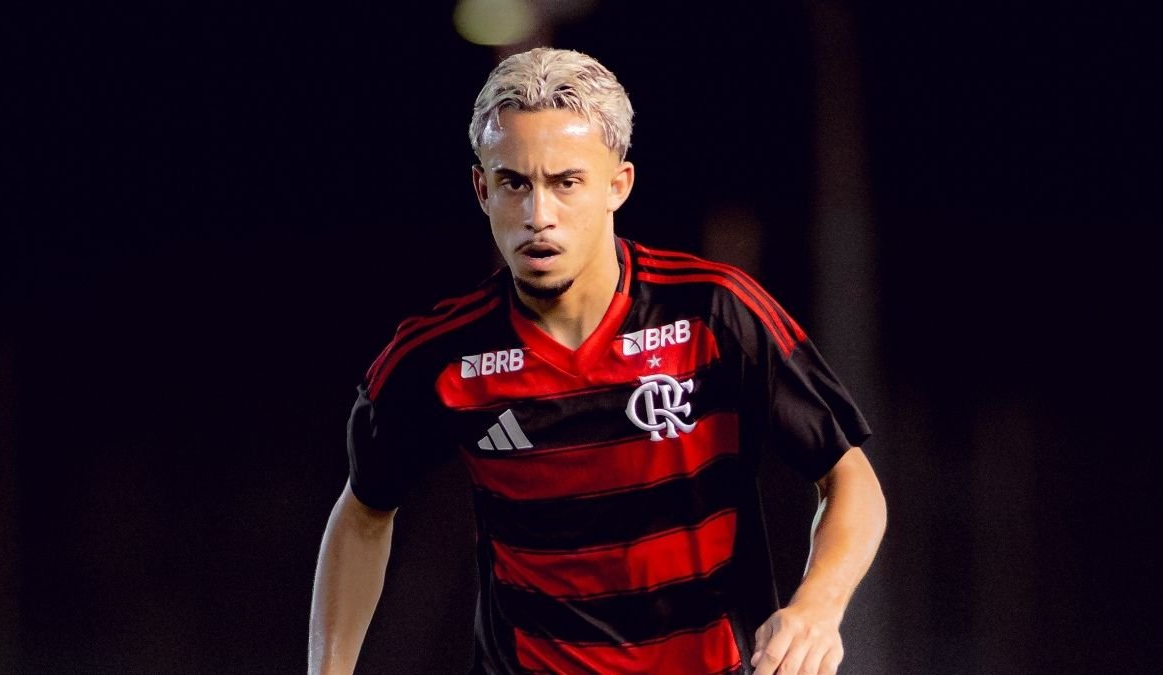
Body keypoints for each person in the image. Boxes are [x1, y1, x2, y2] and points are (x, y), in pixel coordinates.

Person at [309, 47, 886, 675]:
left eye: (566, 183)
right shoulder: (437, 358)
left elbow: (850, 477)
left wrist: (817, 608)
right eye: (514, 184)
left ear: (619, 185)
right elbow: (364, 513)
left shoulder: (715, 312)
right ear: (482, 189)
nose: (538, 217)